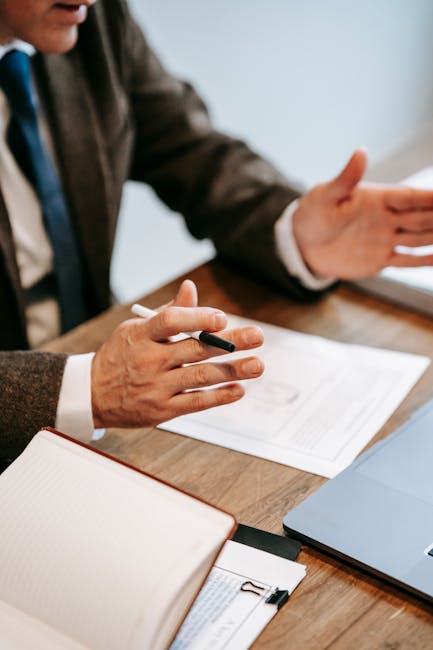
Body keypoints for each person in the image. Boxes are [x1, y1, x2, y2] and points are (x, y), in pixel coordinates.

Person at [2, 0, 433, 462]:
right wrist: (82, 389)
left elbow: (189, 147)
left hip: (91, 367)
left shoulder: (92, 17)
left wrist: (293, 230)